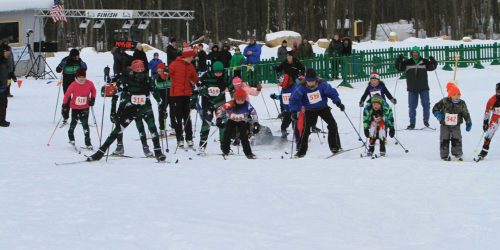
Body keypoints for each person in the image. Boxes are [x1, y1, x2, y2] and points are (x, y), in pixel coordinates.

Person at [87, 60, 166, 162]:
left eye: (142, 71)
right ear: (133, 72)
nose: (140, 74)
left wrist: (162, 107)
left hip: (145, 108)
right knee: (117, 130)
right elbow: (115, 94)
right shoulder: (127, 80)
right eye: (138, 72)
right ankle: (101, 152)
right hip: (130, 108)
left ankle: (158, 152)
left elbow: (156, 94)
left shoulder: (148, 80)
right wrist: (113, 112)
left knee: (153, 128)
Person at [289, 68, 345, 158]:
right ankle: (301, 152)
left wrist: (338, 102)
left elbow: (332, 93)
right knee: (305, 130)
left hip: (323, 108)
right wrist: (294, 111)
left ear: (316, 79)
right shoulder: (301, 88)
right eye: (309, 81)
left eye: (313, 81)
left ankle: (335, 147)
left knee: (333, 124)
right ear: (306, 80)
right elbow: (294, 99)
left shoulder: (322, 85)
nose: (311, 83)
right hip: (309, 110)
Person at [396, 46, 437, 129]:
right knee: (412, 106)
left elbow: (432, 67)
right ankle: (412, 123)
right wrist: (399, 60)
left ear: (419, 53)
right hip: (412, 88)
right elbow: (399, 67)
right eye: (413, 52)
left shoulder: (424, 62)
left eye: (416, 52)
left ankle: (426, 121)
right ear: (411, 53)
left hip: (424, 87)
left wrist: (433, 60)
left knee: (426, 105)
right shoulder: (407, 62)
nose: (415, 54)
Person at [195, 61, 234, 151]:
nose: (218, 74)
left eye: (220, 72)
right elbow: (197, 87)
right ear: (213, 71)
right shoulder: (206, 76)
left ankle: (225, 147)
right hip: (207, 102)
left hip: (220, 102)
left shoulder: (225, 77)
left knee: (222, 123)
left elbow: (232, 88)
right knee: (207, 122)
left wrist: (234, 98)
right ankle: (202, 145)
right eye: (216, 72)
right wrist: (199, 92)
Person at [432, 82, 471, 161]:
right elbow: (434, 109)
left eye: (458, 94)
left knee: (457, 138)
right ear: (450, 95)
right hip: (445, 124)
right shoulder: (444, 101)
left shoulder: (462, 103)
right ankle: (444, 155)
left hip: (456, 125)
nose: (457, 96)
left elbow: (465, 113)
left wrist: (468, 121)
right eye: (454, 95)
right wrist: (439, 115)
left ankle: (457, 154)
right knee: (444, 139)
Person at [216, 88, 260, 159]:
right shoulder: (230, 103)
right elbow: (220, 109)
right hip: (231, 120)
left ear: (244, 99)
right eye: (238, 100)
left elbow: (254, 113)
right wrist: (219, 119)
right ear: (235, 98)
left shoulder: (247, 105)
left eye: (242, 100)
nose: (240, 101)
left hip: (242, 121)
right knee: (227, 134)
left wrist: (256, 123)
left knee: (244, 137)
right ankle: (225, 150)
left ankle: (248, 153)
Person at [169, 46, 199, 148]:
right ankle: (180, 139)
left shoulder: (190, 66)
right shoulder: (174, 64)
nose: (192, 58)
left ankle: (189, 138)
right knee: (178, 118)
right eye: (191, 57)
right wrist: (163, 74)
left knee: (187, 117)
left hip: (186, 94)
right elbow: (167, 74)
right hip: (176, 95)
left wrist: (196, 80)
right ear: (186, 56)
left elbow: (194, 78)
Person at [62, 68, 96, 149]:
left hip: (85, 107)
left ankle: (88, 143)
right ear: (76, 77)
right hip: (75, 107)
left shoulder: (89, 83)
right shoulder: (73, 84)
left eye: (83, 77)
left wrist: (93, 99)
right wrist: (64, 104)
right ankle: (71, 138)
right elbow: (67, 94)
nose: (81, 78)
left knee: (85, 125)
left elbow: (94, 91)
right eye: (80, 77)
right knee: (73, 123)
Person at [270, 74, 298, 141]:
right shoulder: (284, 89)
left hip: (295, 111)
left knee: (295, 127)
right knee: (283, 126)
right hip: (287, 112)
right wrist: (275, 96)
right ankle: (284, 137)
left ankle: (300, 139)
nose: (280, 83)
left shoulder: (295, 88)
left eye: (281, 82)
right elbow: (282, 96)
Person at [476, 82, 500, 161]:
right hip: (496, 117)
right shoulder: (492, 100)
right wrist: (485, 122)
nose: (499, 94)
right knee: (489, 134)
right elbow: (487, 111)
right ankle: (484, 151)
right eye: (498, 92)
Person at [152, 63, 174, 136]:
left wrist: (168, 75)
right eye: (158, 71)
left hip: (172, 96)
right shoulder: (156, 78)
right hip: (163, 98)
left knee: (173, 113)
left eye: (161, 70)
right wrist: (158, 99)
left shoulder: (169, 75)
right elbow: (155, 89)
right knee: (161, 112)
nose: (160, 72)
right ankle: (162, 129)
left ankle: (174, 128)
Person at [0, 43, 11, 127]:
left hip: (3, 86)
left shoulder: (4, 60)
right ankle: (1, 121)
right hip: (1, 87)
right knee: (2, 104)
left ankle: (2, 120)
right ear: (4, 51)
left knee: (4, 103)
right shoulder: (1, 61)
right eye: (8, 51)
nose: (9, 53)